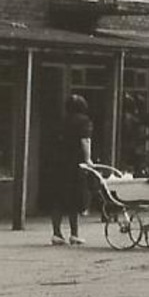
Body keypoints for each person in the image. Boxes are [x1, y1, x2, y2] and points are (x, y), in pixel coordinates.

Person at [49, 94, 94, 246]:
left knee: (58, 198)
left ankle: (56, 233)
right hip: (75, 163)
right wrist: (88, 159)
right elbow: (85, 140)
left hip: (58, 163)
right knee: (74, 198)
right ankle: (74, 234)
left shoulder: (61, 120)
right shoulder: (84, 121)